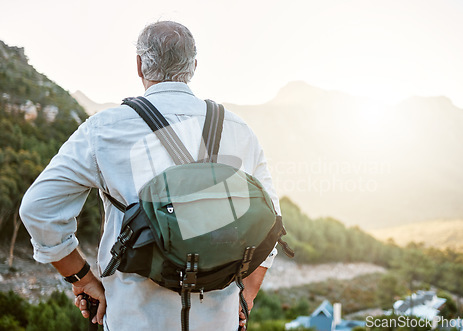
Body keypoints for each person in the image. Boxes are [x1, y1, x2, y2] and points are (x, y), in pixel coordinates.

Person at [19, 21, 280, 330]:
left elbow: (38, 209)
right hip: (218, 320)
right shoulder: (239, 130)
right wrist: (246, 293)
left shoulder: (105, 129)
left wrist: (81, 278)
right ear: (194, 65)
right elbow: (272, 222)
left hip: (134, 317)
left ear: (140, 65)